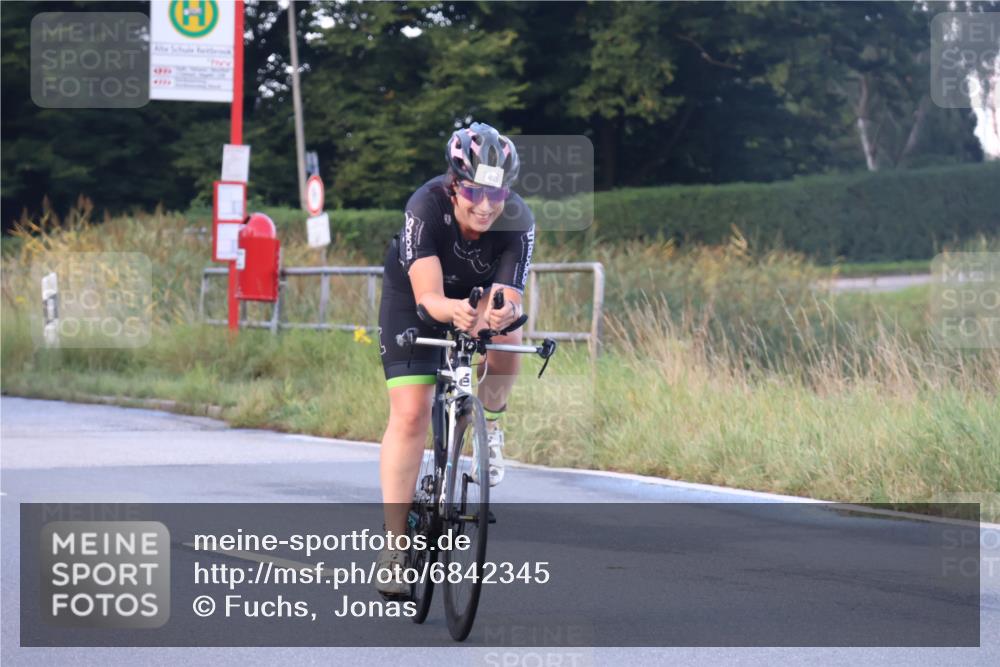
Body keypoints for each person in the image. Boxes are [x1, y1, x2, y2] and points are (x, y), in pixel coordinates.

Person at [374, 122, 534, 597]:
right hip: (416, 298)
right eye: (474, 192)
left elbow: (509, 297)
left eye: (496, 194)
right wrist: (453, 312)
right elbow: (428, 298)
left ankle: (491, 425)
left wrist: (501, 314)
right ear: (454, 185)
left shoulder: (518, 218)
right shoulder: (425, 206)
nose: (485, 206)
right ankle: (395, 547)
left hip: (476, 296)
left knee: (507, 337)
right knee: (411, 413)